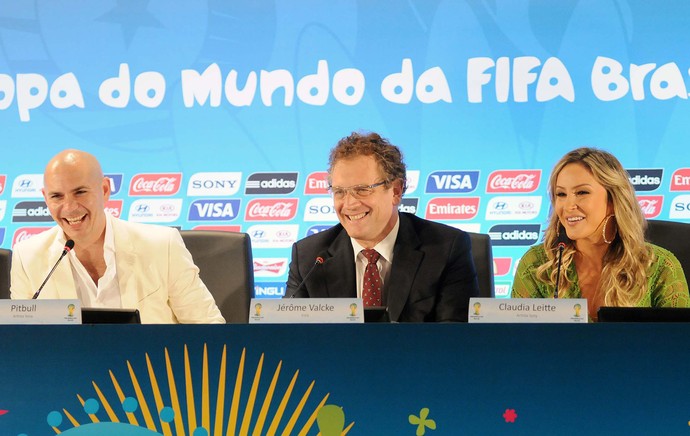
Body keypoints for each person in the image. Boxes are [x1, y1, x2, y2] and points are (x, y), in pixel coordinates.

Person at [10, 149, 225, 324]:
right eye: (57, 196)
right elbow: (23, 342)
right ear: (45, 198)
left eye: (80, 192)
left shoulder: (162, 246)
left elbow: (208, 329)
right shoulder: (27, 257)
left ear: (104, 190)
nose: (70, 207)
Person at [286, 131, 480, 322]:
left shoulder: (446, 249)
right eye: (339, 192)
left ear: (395, 191)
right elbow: (290, 337)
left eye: (362, 190)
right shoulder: (308, 258)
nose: (349, 204)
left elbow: (454, 340)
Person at [512, 147, 689, 320]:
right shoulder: (536, 264)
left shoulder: (660, 267)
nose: (567, 206)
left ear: (613, 200)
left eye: (582, 192)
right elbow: (516, 341)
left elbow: (679, 344)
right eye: (561, 194)